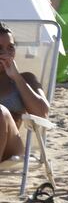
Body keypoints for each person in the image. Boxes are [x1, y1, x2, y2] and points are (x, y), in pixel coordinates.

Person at [0, 22, 49, 162]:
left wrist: (16, 77)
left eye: (10, 47)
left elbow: (42, 113)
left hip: (11, 146)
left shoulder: (26, 78)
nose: (5, 54)